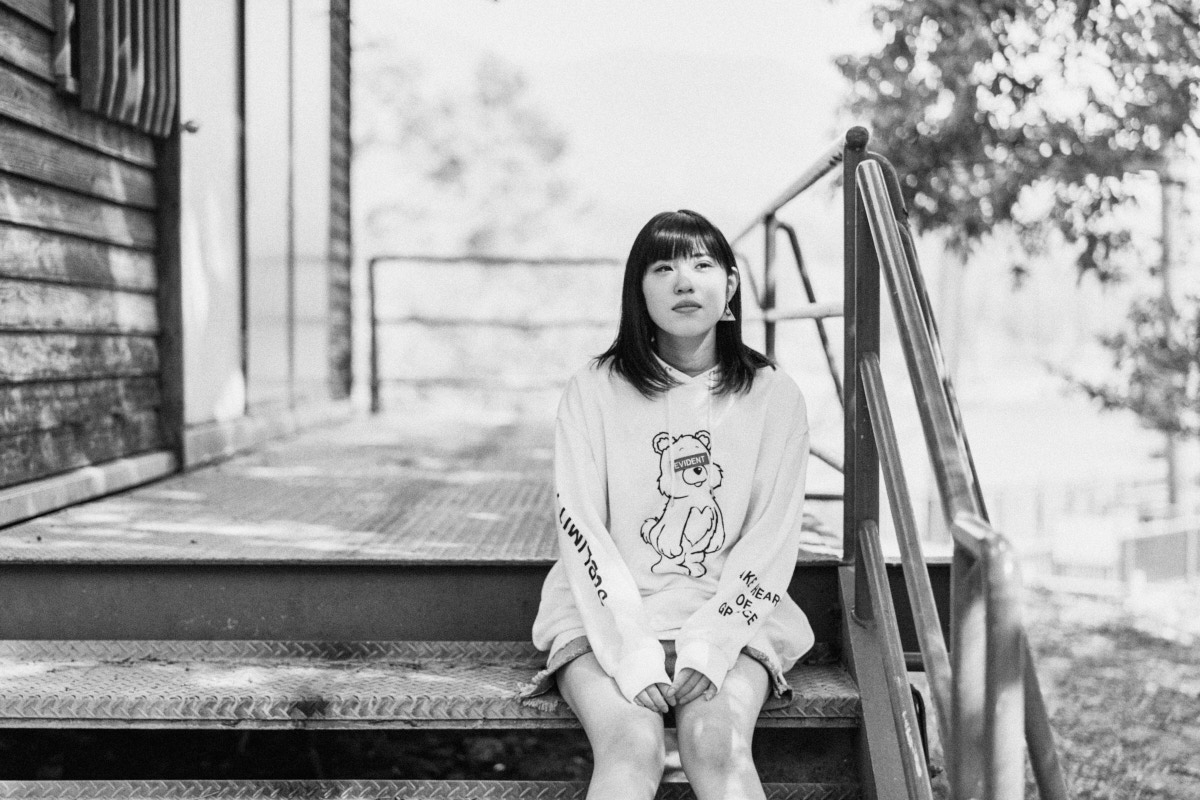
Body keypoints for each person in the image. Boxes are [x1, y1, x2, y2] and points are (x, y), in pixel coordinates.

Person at [520, 209, 814, 800]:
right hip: (604, 612)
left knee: (717, 743)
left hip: (731, 608)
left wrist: (713, 645)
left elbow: (772, 539)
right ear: (639, 291)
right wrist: (630, 652)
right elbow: (583, 532)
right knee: (632, 744)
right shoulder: (593, 389)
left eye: (702, 265)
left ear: (730, 285)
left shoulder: (774, 396)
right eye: (663, 268)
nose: (684, 281)